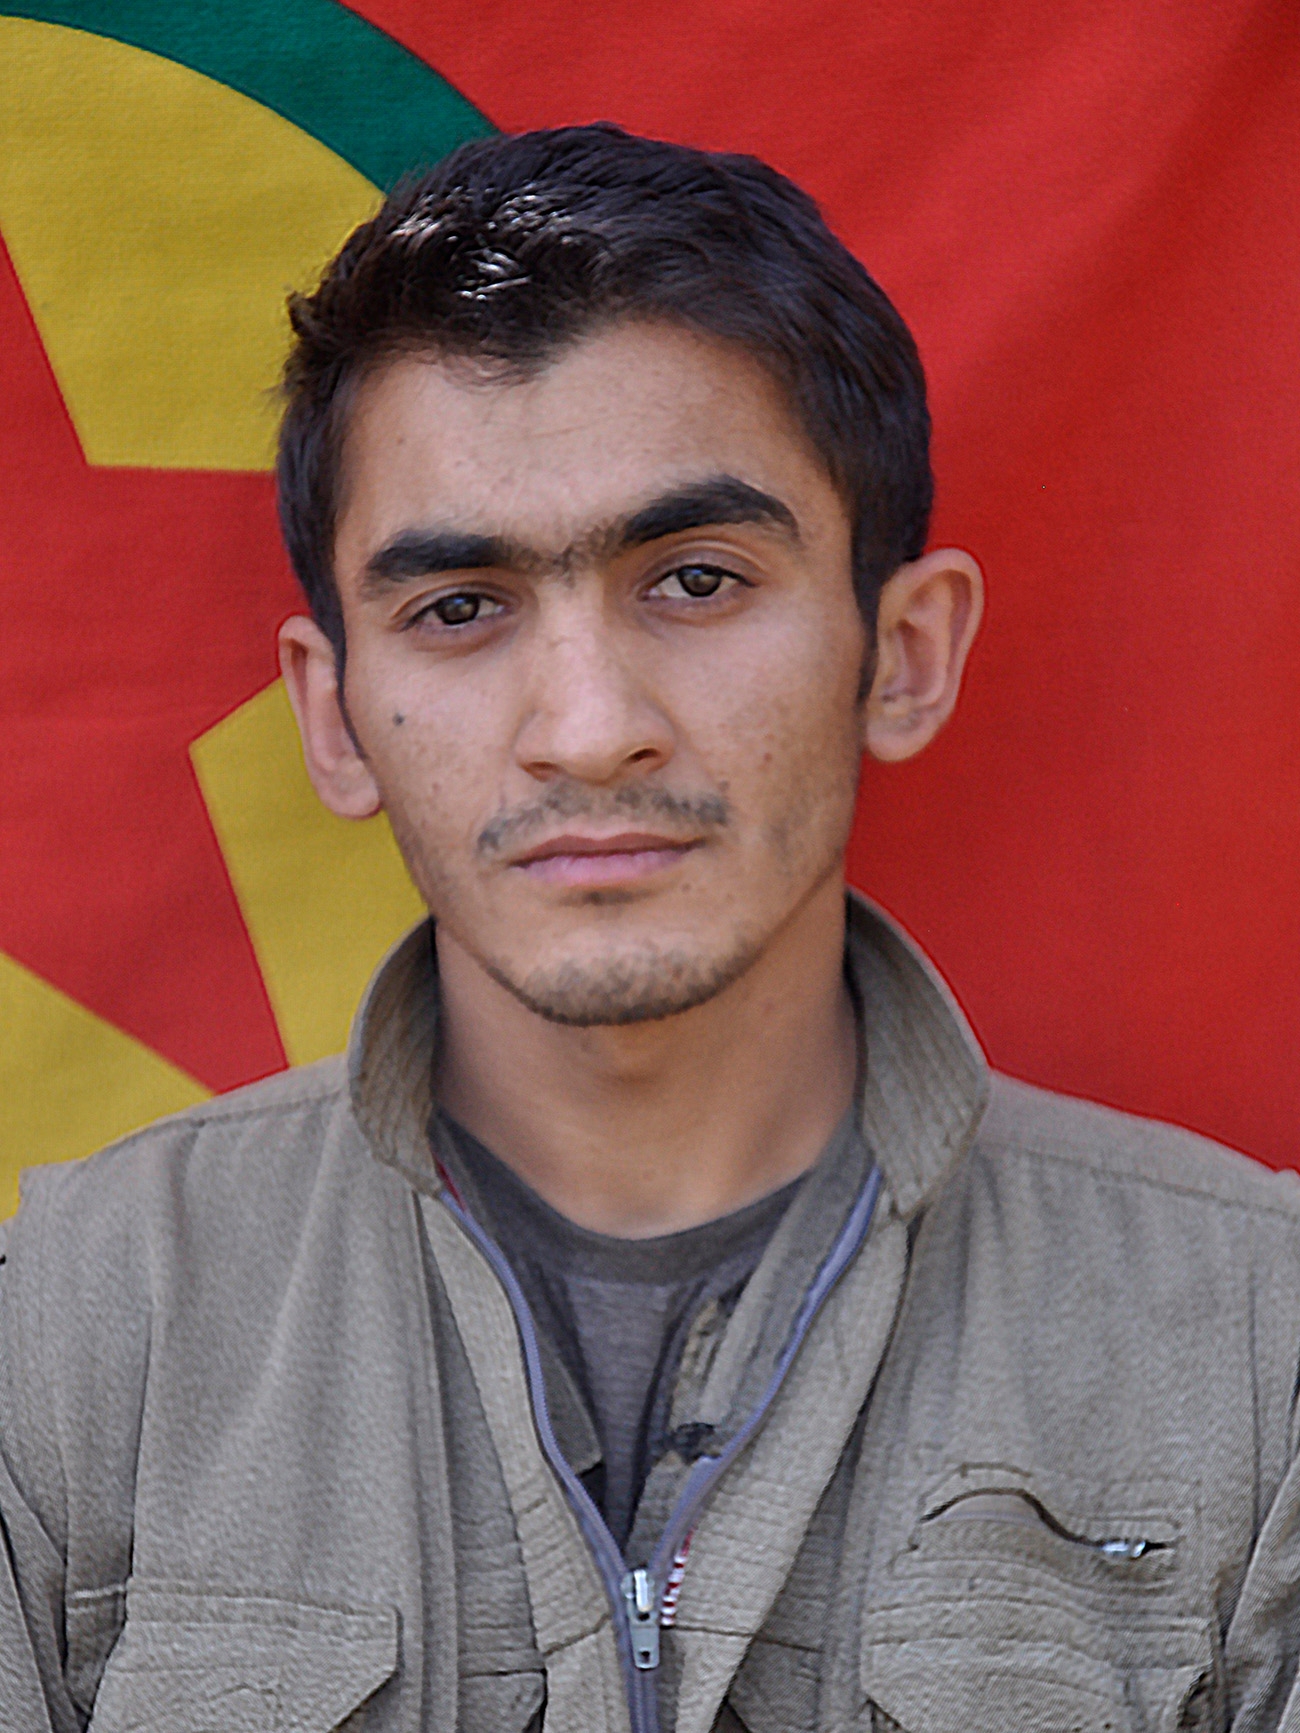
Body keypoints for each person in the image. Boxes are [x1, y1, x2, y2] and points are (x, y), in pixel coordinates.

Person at [1, 124, 1297, 1733]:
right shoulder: (63, 1342)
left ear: (902, 653)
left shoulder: (1258, 1353)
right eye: (459, 607)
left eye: (694, 579)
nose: (590, 727)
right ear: (331, 718)